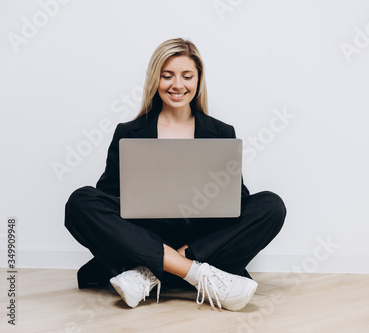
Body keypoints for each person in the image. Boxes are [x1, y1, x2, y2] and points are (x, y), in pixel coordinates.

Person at [64, 38, 286, 311]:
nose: (177, 85)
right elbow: (108, 196)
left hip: (201, 237)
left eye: (187, 76)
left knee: (271, 205)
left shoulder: (221, 132)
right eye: (167, 76)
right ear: (155, 80)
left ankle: (150, 272)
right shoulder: (129, 132)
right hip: (146, 232)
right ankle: (195, 273)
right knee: (81, 201)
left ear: (198, 80)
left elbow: (236, 200)